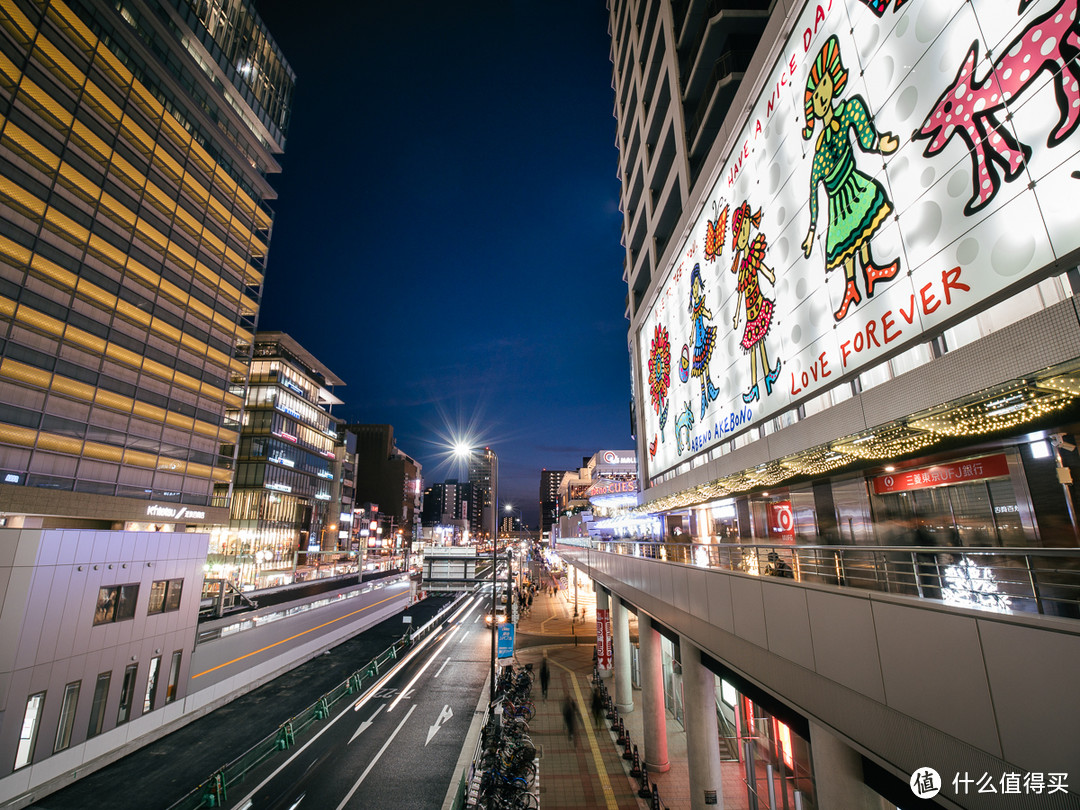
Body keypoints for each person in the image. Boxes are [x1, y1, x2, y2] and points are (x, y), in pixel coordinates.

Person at [801, 35, 901, 322]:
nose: (821, 99)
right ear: (814, 110)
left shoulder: (848, 111)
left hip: (852, 183)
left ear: (832, 83)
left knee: (860, 227)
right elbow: (813, 190)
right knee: (846, 242)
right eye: (815, 99)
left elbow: (866, 135)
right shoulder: (819, 148)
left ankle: (869, 270)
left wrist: (882, 144)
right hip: (836, 198)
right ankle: (851, 287)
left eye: (822, 90)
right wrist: (810, 232)